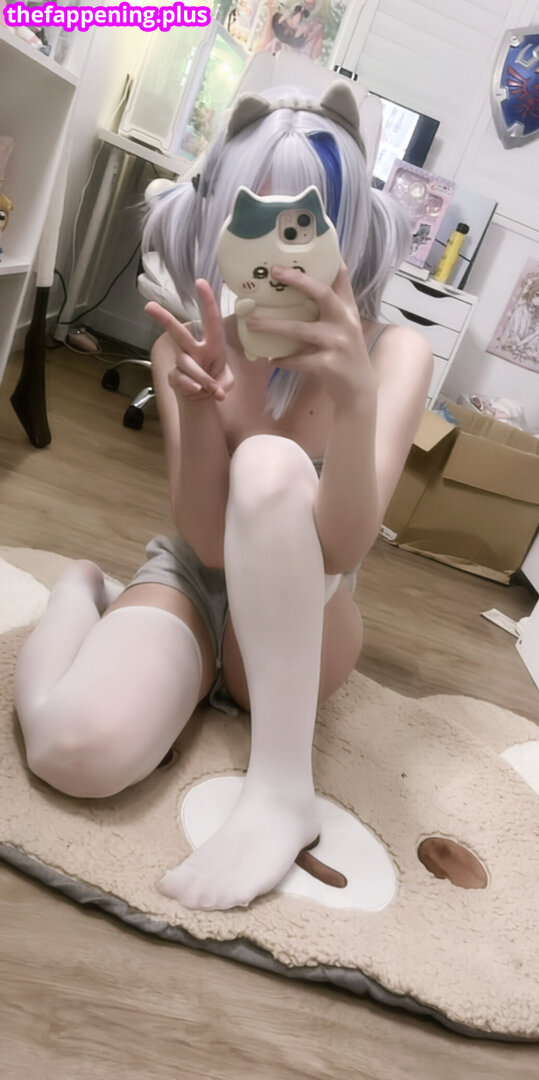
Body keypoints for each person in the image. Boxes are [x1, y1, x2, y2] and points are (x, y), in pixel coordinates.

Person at [13, 78, 432, 911]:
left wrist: (353, 401)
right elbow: (207, 541)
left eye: (307, 223)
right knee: (71, 751)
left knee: (271, 467)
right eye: (256, 220)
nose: (282, 254)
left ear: (348, 228)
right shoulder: (188, 346)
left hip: (312, 605)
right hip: (198, 587)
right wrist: (204, 408)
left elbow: (342, 547)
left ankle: (281, 789)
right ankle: (79, 590)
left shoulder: (394, 354)